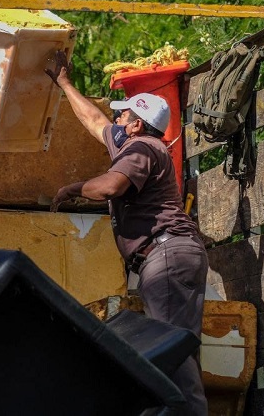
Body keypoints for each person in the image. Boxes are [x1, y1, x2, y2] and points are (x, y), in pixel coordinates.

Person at [46, 51, 208, 415]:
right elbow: (93, 120)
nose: (117, 119)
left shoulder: (142, 149)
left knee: (171, 356)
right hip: (173, 256)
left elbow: (110, 187)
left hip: (165, 256)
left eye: (124, 115)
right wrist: (63, 82)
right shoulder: (136, 143)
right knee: (176, 351)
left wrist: (73, 188)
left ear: (137, 125)